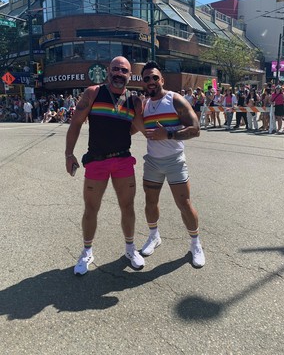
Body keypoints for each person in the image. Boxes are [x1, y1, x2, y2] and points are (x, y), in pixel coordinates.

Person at [65, 56, 145, 275]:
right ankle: (87, 251)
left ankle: (130, 248)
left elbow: (140, 126)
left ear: (130, 75)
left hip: (123, 160)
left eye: (124, 70)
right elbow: (76, 124)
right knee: (91, 208)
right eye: (116, 69)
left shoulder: (135, 101)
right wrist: (68, 154)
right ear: (108, 71)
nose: (119, 73)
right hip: (97, 161)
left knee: (127, 207)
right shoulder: (93, 92)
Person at [140, 61, 205, 268]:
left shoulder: (175, 99)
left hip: (174, 161)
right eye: (147, 78)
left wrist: (168, 133)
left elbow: (196, 129)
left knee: (184, 204)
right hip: (152, 162)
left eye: (154, 77)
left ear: (162, 79)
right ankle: (154, 236)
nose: (151, 81)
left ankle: (195, 244)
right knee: (150, 203)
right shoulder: (144, 104)